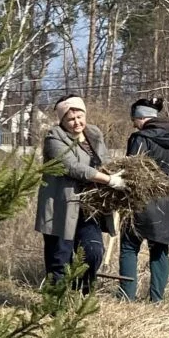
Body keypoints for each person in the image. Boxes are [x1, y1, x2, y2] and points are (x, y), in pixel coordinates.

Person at [36, 95, 122, 293]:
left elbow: (105, 161)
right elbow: (72, 167)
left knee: (93, 252)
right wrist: (108, 180)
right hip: (61, 207)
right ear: (62, 120)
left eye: (79, 116)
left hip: (88, 207)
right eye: (70, 118)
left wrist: (116, 176)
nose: (77, 122)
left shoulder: (93, 134)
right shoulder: (54, 138)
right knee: (59, 259)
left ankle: (80, 291)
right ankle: (55, 305)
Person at [118, 98, 169, 302]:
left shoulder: (140, 138)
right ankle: (157, 300)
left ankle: (127, 296)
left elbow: (131, 169)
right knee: (159, 248)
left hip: (141, 198)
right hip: (168, 198)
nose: (133, 123)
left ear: (142, 118)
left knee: (129, 246)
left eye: (134, 119)